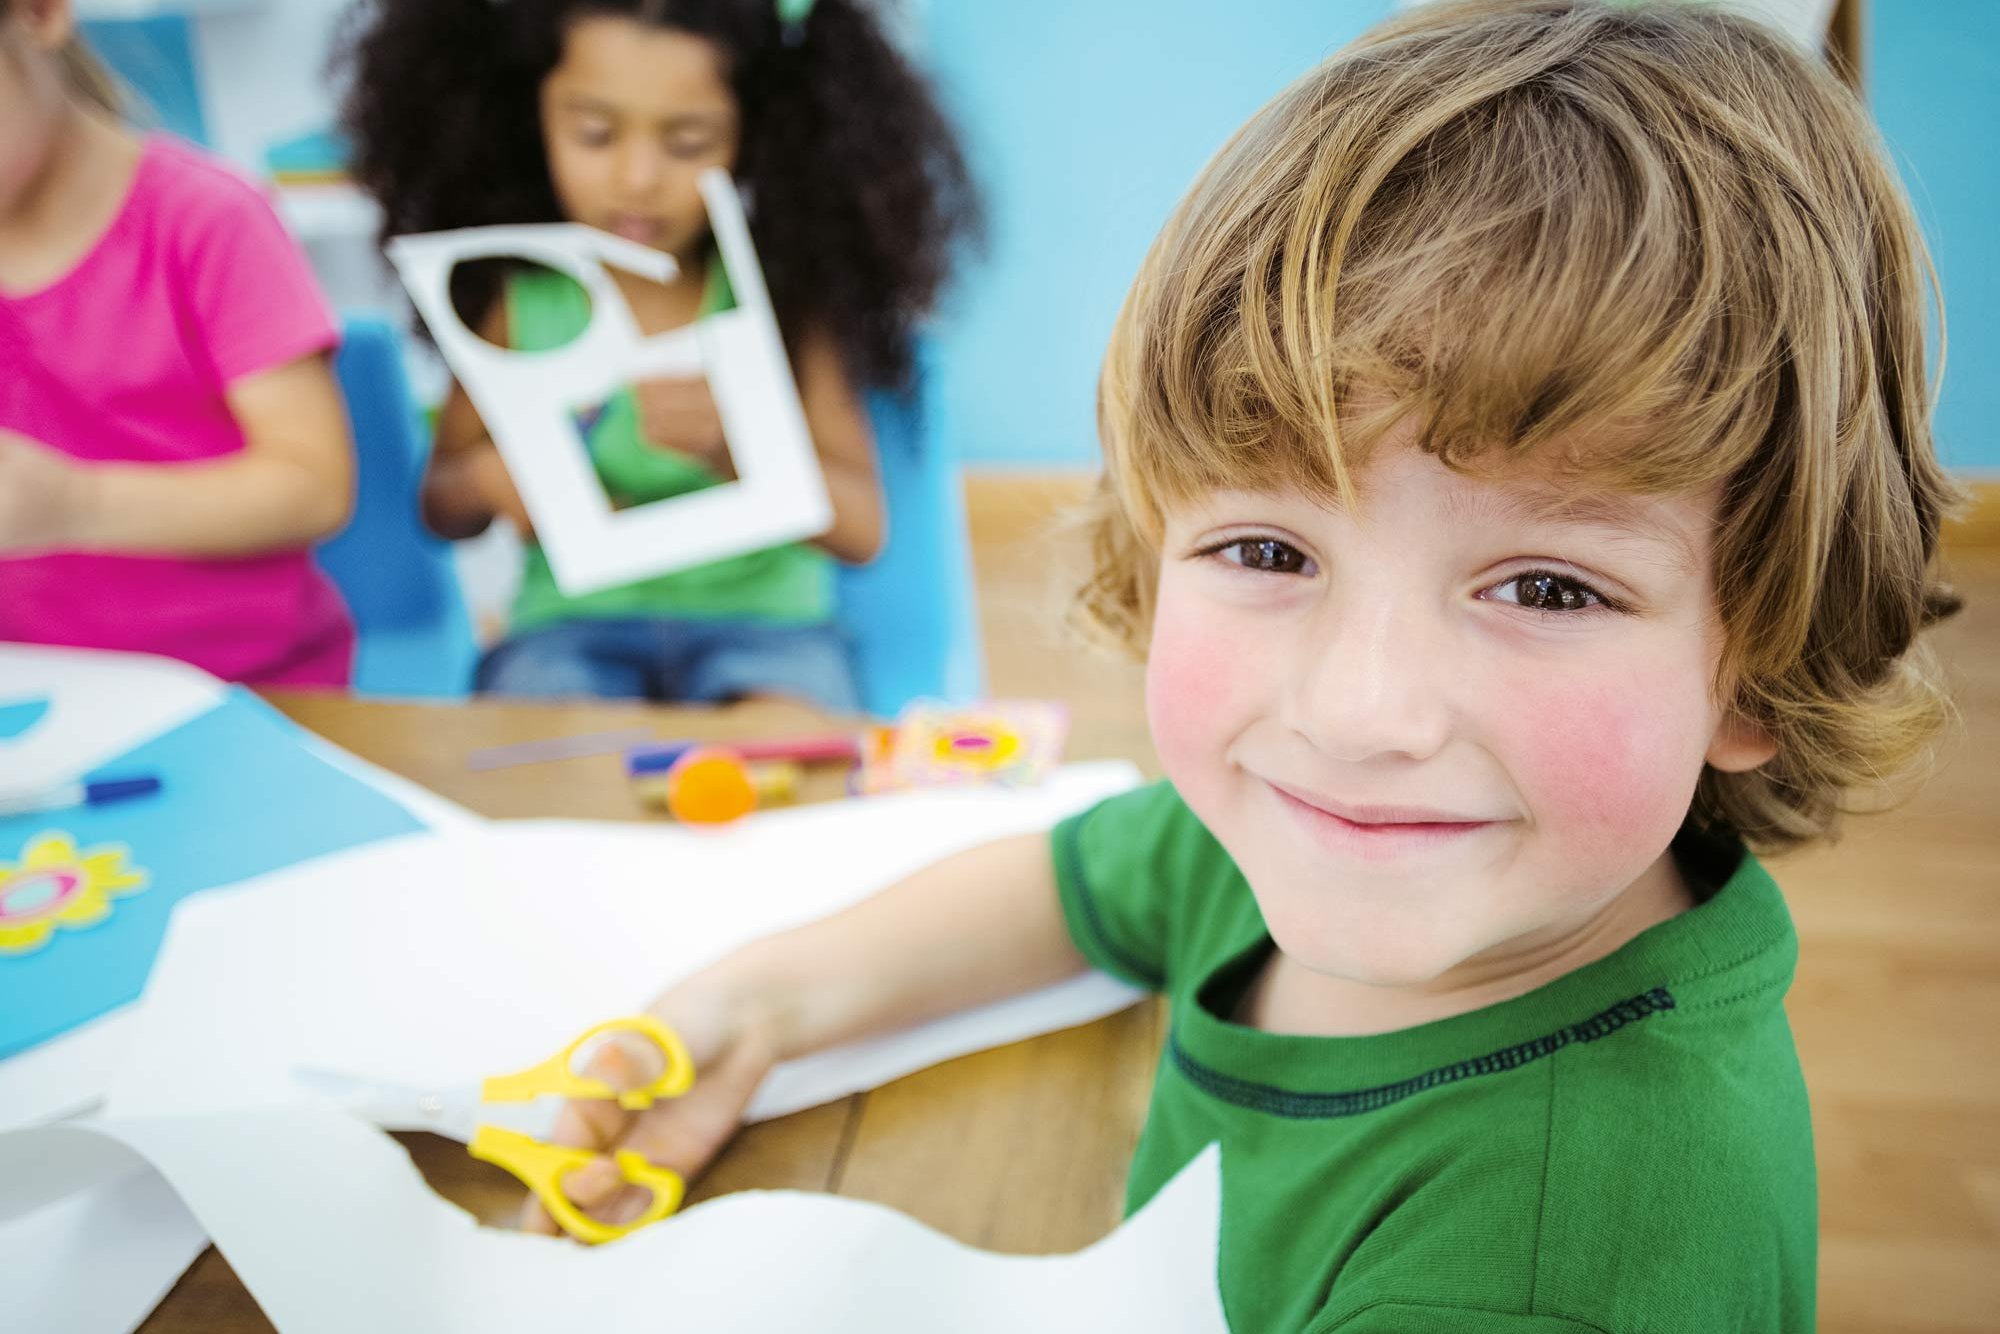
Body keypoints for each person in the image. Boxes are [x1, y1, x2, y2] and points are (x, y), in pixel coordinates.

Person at [524, 3, 1961, 1329]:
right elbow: (1072, 884)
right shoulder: (1294, 831)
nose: (1355, 712)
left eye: (1546, 586)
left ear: (1759, 664)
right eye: (1269, 551)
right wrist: (751, 1009)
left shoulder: (1544, 1273)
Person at [338, 0, 980, 710]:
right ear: (527, 117)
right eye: (595, 133)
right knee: (556, 754)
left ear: (758, 133)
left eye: (687, 142)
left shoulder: (786, 301)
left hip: (770, 631)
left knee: (784, 748)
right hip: (567, 631)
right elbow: (441, 506)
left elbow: (861, 530)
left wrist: (739, 441)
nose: (639, 177)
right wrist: (490, 480)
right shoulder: (519, 299)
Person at [0, 0, 357, 687]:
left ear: (38, 14)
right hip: (38, 694)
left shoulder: (208, 221)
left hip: (249, 685)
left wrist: (77, 504)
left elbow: (315, 486)